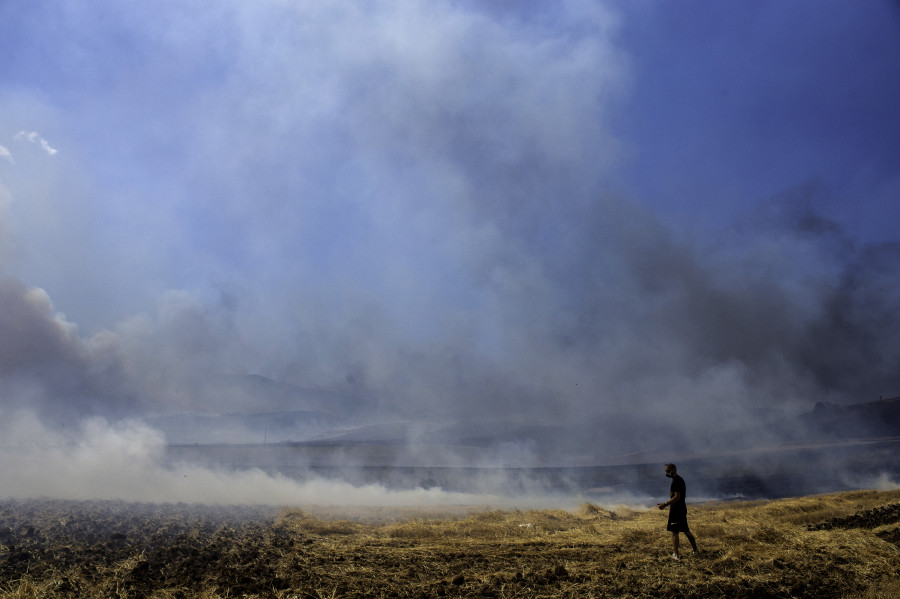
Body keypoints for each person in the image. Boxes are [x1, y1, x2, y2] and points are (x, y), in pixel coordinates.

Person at [657, 463, 698, 560]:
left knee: (675, 532)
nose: (667, 472)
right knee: (686, 530)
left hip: (677, 509)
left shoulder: (676, 481)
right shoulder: (679, 479)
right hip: (681, 508)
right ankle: (695, 551)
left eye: (668, 470)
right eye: (666, 471)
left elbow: (677, 497)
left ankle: (675, 554)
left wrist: (665, 504)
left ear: (674, 469)